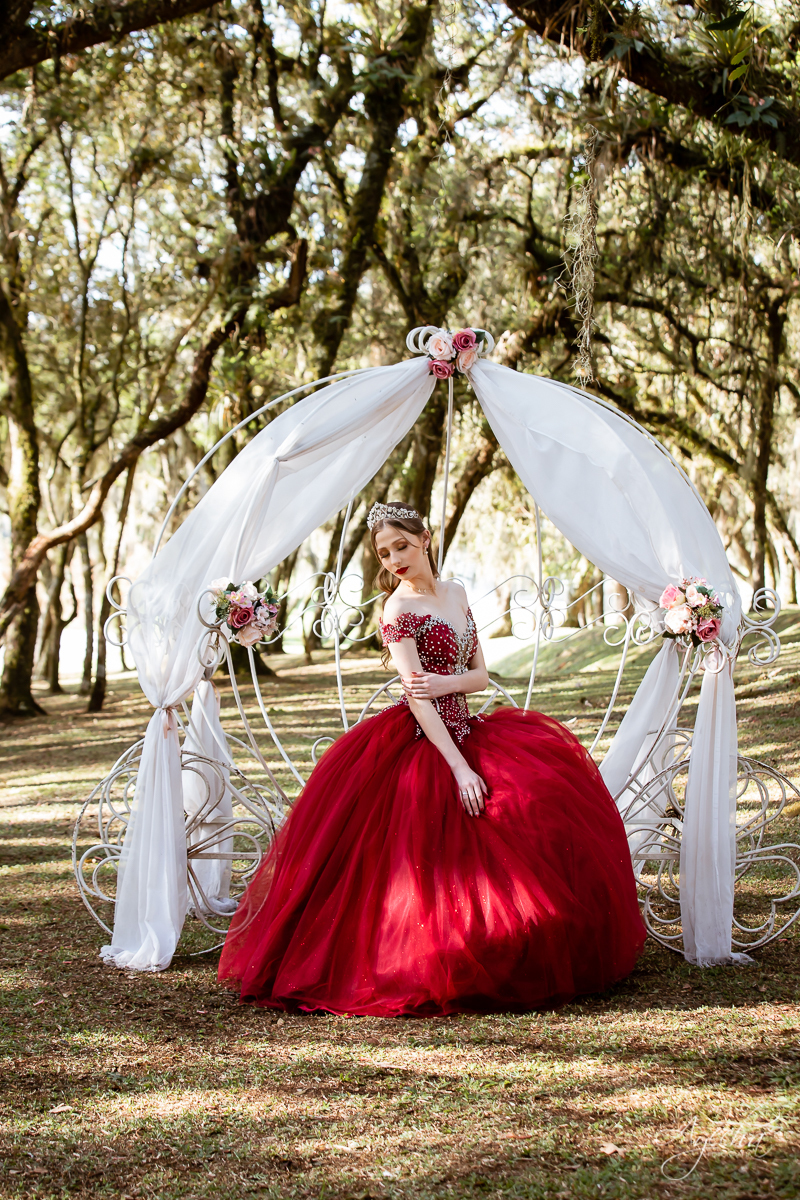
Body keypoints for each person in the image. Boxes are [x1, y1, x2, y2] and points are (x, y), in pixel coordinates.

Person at [218, 502, 646, 1015]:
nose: (394, 559)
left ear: (425, 539)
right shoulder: (397, 612)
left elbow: (481, 675)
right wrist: (458, 766)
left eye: (401, 545)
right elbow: (417, 697)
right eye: (384, 553)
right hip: (425, 740)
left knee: (540, 808)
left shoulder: (457, 593)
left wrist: (448, 683)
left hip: (471, 728)